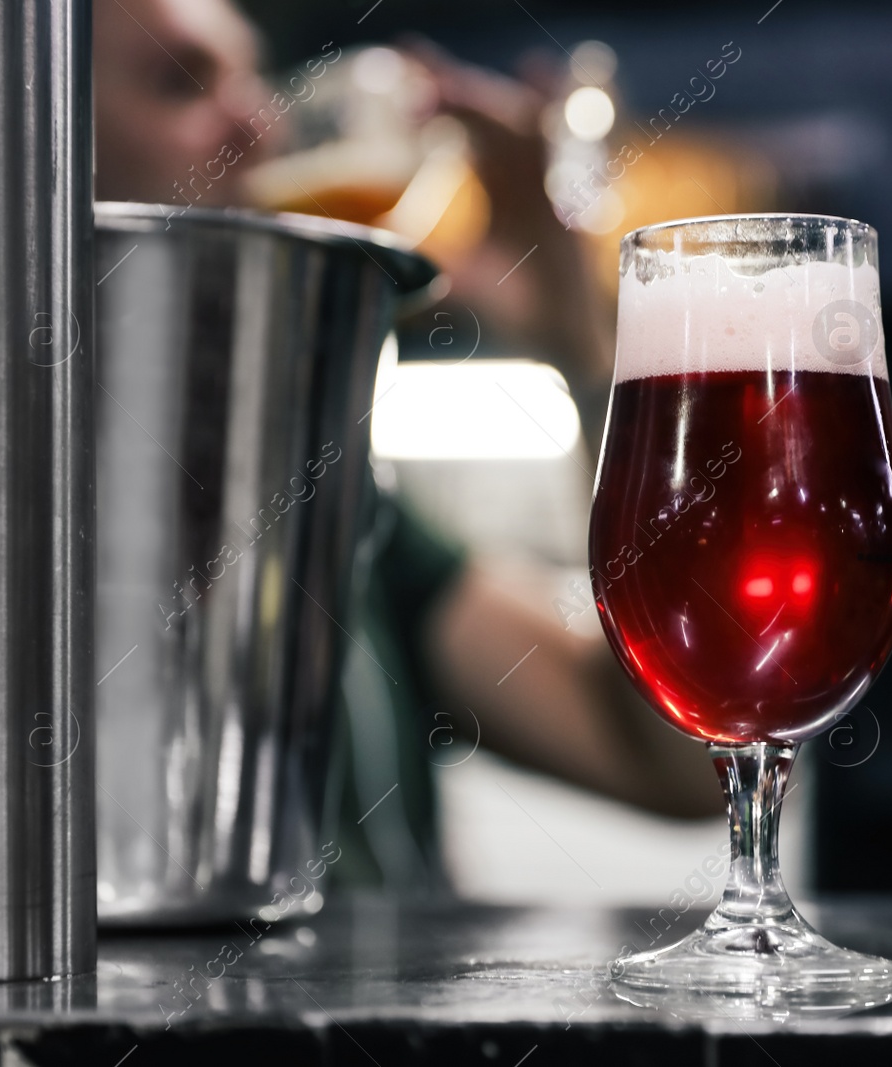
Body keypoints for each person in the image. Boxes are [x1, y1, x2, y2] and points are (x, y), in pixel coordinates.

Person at [92, 0, 723, 888]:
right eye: (180, 81)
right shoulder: (5, 515)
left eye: (250, 79)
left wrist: (575, 347)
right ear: (37, 138)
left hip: (380, 1028)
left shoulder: (337, 508)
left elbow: (685, 757)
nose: (258, 120)